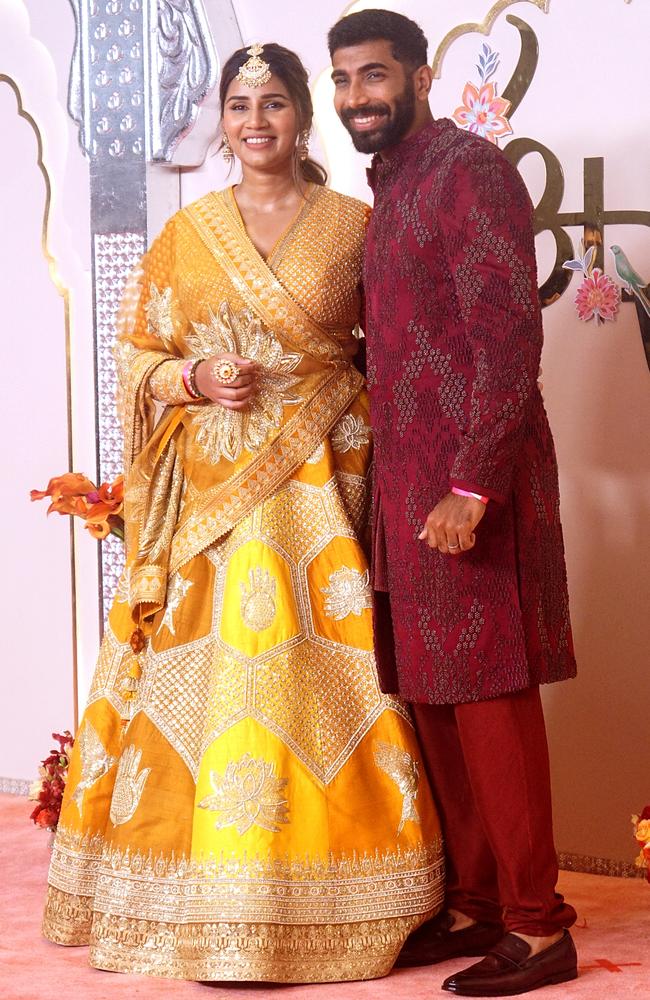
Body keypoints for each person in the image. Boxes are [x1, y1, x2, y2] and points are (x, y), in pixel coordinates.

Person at [42, 42, 444, 983]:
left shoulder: (356, 224)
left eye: (273, 102)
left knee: (327, 677)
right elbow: (137, 350)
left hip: (324, 484)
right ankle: (196, 898)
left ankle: (347, 895)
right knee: (204, 684)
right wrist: (191, 376)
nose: (255, 120)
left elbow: (385, 349)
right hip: (210, 497)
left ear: (304, 115)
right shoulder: (189, 233)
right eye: (238, 105)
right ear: (221, 123)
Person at [328, 10, 579, 997]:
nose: (357, 96)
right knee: (433, 700)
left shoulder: (466, 170)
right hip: (404, 491)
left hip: (467, 490)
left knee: (488, 702)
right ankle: (476, 901)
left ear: (420, 77)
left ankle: (535, 924)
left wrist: (472, 485)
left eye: (375, 75)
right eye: (343, 80)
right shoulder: (390, 193)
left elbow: (507, 338)